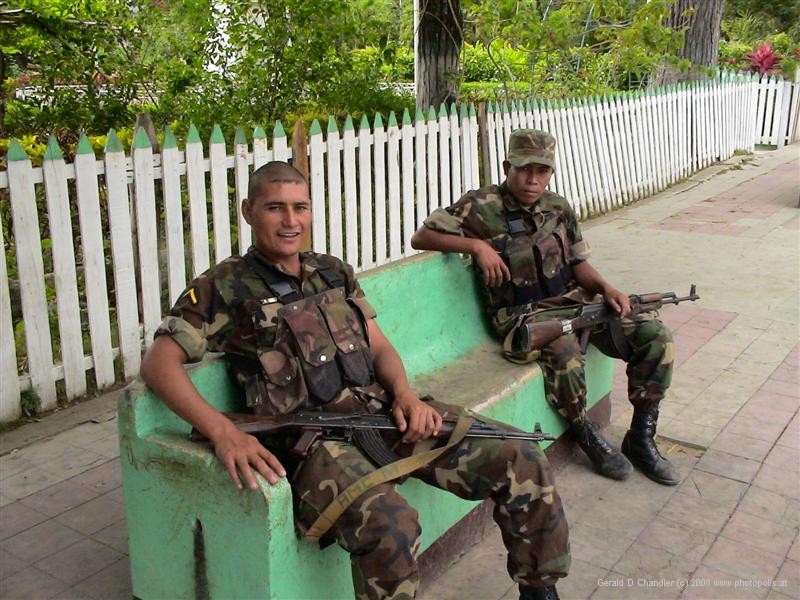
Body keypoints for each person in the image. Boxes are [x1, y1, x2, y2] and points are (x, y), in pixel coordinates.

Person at [140, 161, 570, 600]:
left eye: (300, 207)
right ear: (249, 211)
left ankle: (540, 590)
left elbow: (378, 346)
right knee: (392, 525)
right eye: (275, 208)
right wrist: (222, 432)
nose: (291, 221)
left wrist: (405, 395)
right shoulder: (223, 286)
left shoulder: (333, 271)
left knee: (523, 457)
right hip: (313, 443)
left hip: (383, 417)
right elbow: (159, 365)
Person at [410, 130, 680, 486]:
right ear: (508, 167)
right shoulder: (482, 205)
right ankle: (585, 432)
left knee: (655, 335)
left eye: (543, 170)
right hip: (524, 318)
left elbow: (578, 264)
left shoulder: (558, 207)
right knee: (566, 354)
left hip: (575, 305)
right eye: (524, 169)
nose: (533, 179)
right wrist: (476, 245)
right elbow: (422, 236)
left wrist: (607, 289)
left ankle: (641, 437)